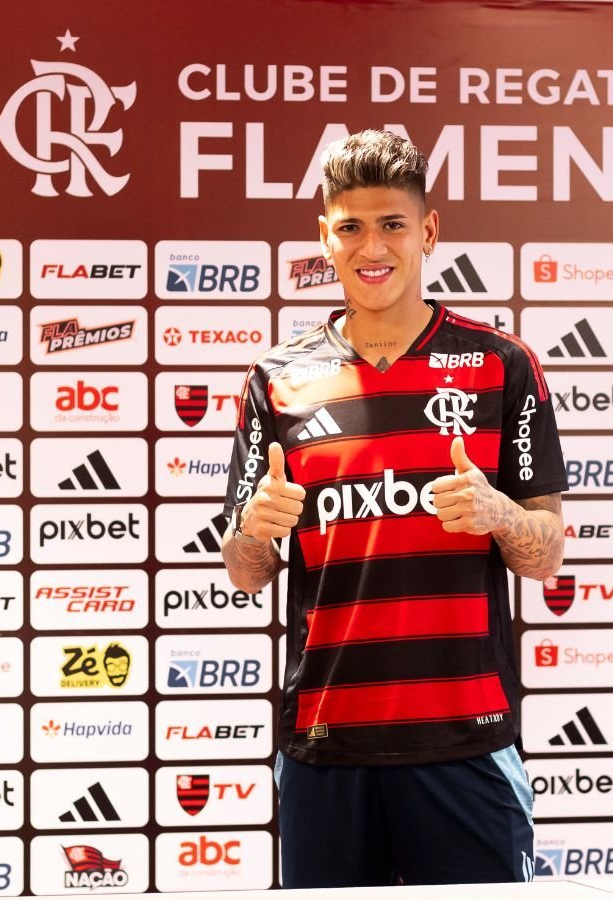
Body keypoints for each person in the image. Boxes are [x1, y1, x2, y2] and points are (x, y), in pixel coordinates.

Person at [220, 129, 568, 888]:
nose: (370, 246)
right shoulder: (277, 378)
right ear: (325, 236)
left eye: (391, 224)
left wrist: (500, 514)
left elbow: (546, 554)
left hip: (465, 745)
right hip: (325, 746)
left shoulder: (500, 364)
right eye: (350, 227)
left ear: (429, 231)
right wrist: (254, 529)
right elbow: (246, 572)